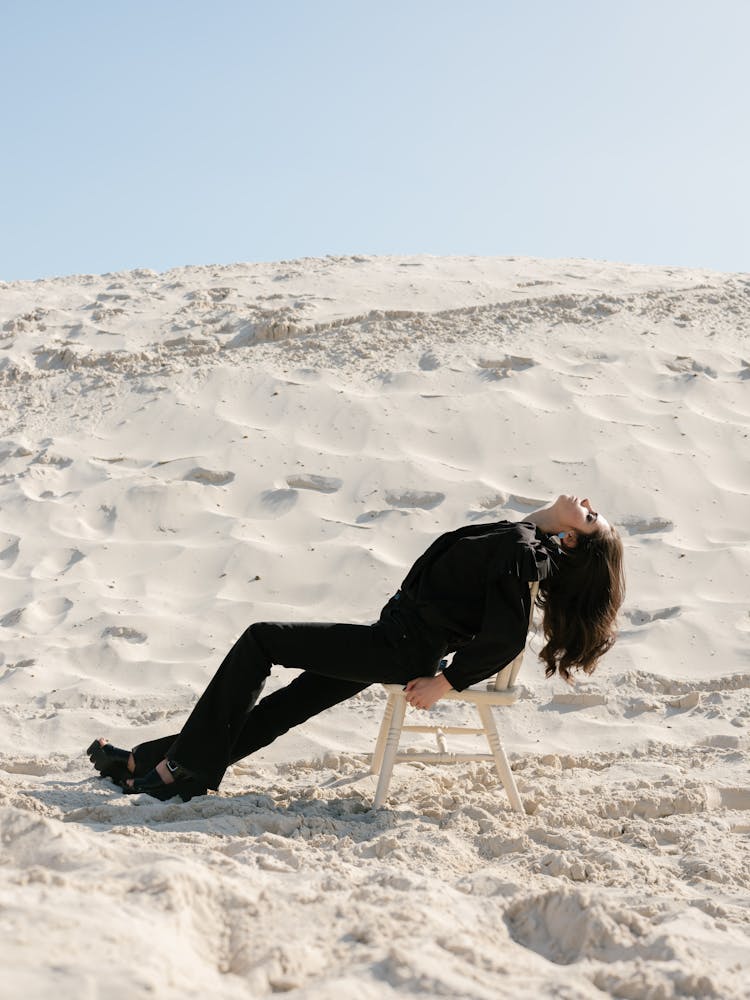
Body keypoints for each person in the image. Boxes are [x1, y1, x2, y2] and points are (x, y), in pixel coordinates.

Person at [87, 494, 624, 802]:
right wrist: (553, 517)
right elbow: (522, 531)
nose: (587, 504)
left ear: (574, 540)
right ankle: (152, 761)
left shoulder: (520, 551)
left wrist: (446, 683)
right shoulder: (525, 541)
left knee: (261, 640)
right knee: (285, 706)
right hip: (392, 641)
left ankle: (179, 772)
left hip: (398, 649)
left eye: (591, 517)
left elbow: (504, 638)